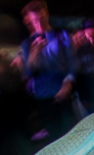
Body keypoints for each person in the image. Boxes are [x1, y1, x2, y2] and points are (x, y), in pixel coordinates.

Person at [15, 1, 79, 141]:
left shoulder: (61, 35)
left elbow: (73, 63)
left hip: (64, 93)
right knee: (56, 139)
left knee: (73, 136)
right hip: (43, 98)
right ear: (28, 22)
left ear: (46, 14)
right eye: (34, 21)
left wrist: (67, 85)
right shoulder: (26, 44)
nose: (39, 24)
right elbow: (28, 73)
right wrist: (33, 56)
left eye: (41, 18)